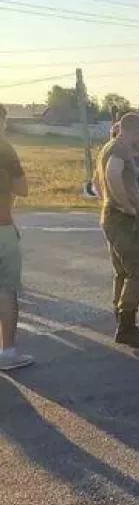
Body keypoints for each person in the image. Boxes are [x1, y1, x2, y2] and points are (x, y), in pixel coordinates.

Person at [96, 113, 139, 347]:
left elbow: (97, 182)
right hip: (121, 219)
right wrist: (124, 204)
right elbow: (113, 174)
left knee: (123, 272)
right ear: (135, 132)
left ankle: (124, 323)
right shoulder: (121, 149)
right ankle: (126, 327)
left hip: (110, 217)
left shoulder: (107, 147)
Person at [0, 104, 33, 371]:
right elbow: (22, 189)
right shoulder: (5, 149)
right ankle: (8, 352)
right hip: (1, 226)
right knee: (6, 290)